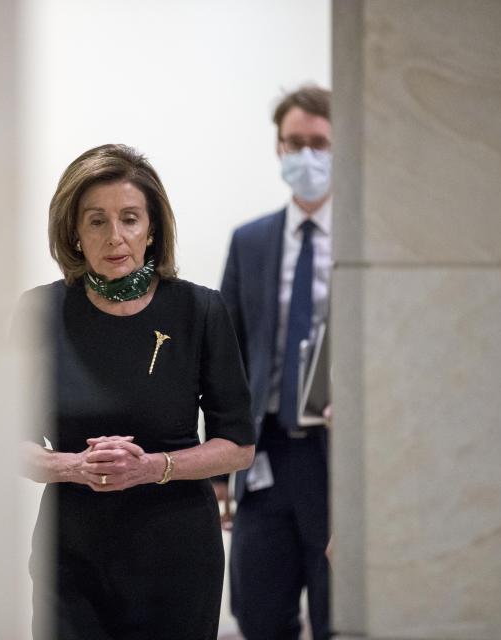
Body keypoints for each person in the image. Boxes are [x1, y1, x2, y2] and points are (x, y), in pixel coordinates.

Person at [18, 143, 255, 640]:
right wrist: (74, 468)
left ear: (152, 229)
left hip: (177, 557)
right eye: (97, 220)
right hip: (72, 558)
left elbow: (238, 446)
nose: (116, 236)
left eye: (130, 218)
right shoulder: (39, 313)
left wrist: (152, 467)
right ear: (74, 233)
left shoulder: (201, 311)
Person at [216, 85, 333, 640]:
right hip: (265, 456)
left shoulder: (368, 241)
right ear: (278, 148)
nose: (306, 156)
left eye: (319, 143)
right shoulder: (251, 242)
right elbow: (226, 360)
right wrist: (217, 474)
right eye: (294, 143)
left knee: (343, 614)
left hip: (341, 459)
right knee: (259, 615)